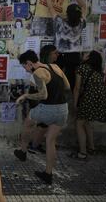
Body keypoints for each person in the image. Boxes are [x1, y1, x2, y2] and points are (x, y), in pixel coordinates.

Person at [14, 50, 70, 184]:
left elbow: (43, 95)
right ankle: (48, 174)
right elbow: (67, 86)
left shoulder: (37, 73)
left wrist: (25, 96)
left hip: (48, 108)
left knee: (28, 123)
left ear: (29, 63)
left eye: (24, 66)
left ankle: (22, 151)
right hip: (63, 109)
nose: (26, 70)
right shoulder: (54, 66)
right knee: (50, 141)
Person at [40, 0, 86, 90]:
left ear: (66, 14)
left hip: (59, 56)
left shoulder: (60, 23)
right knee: (72, 84)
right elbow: (84, 5)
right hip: (74, 57)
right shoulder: (81, 23)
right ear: (79, 15)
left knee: (56, 82)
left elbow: (50, 7)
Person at [71, 51, 106, 159]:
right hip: (101, 99)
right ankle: (91, 148)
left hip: (89, 98)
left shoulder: (81, 68)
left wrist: (75, 103)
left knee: (79, 123)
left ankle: (82, 153)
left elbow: (77, 88)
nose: (83, 55)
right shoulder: (98, 70)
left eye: (86, 54)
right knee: (87, 122)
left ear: (89, 58)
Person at [28, 45, 60, 154]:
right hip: (41, 99)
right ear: (48, 54)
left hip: (49, 99)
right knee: (42, 125)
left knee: (44, 125)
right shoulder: (42, 68)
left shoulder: (53, 67)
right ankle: (33, 145)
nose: (57, 55)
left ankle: (35, 144)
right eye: (55, 53)